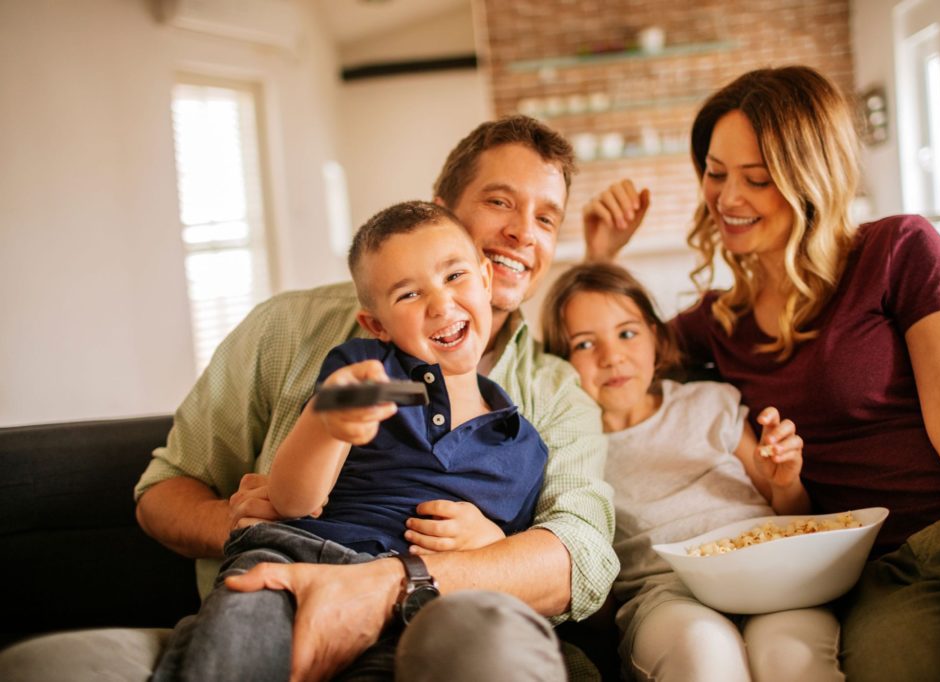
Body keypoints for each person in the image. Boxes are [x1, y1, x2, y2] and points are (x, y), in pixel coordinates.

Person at [0, 116, 617, 682]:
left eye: (545, 218)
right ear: (441, 210)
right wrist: (244, 523)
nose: (520, 232)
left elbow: (580, 553)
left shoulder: (553, 398)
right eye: (499, 201)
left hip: (447, 620)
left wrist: (444, 567)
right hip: (280, 582)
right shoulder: (295, 332)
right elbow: (163, 493)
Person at [582, 65, 940, 681]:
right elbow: (604, 357)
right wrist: (600, 258)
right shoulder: (719, 321)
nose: (727, 199)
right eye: (715, 173)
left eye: (756, 179)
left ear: (810, 179)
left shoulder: (897, 249)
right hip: (877, 567)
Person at [153, 201, 551, 680]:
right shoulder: (368, 377)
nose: (440, 304)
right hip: (293, 558)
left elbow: (513, 562)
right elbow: (294, 501)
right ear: (377, 325)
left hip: (410, 598)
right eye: (407, 295)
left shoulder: (522, 445)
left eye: (454, 276)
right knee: (236, 648)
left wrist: (490, 543)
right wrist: (326, 425)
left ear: (486, 280)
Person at [541, 261, 844, 682]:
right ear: (560, 362)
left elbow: (792, 513)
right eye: (585, 345)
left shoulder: (709, 402)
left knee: (790, 658)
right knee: (704, 655)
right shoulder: (572, 450)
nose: (613, 357)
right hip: (666, 596)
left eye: (627, 333)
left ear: (656, 338)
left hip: (769, 574)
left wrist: (785, 480)